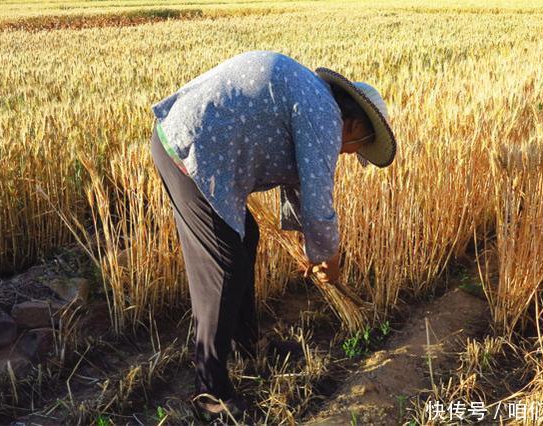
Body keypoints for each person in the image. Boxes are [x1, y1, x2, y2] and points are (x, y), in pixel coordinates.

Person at [149, 50, 396, 421]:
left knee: (245, 238)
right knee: (224, 266)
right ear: (355, 126)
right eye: (357, 149)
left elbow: (300, 187)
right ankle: (209, 393)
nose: (349, 154)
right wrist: (330, 255)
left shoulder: (315, 104)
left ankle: (249, 343)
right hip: (188, 153)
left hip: (201, 153)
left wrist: (313, 248)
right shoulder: (325, 116)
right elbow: (316, 198)